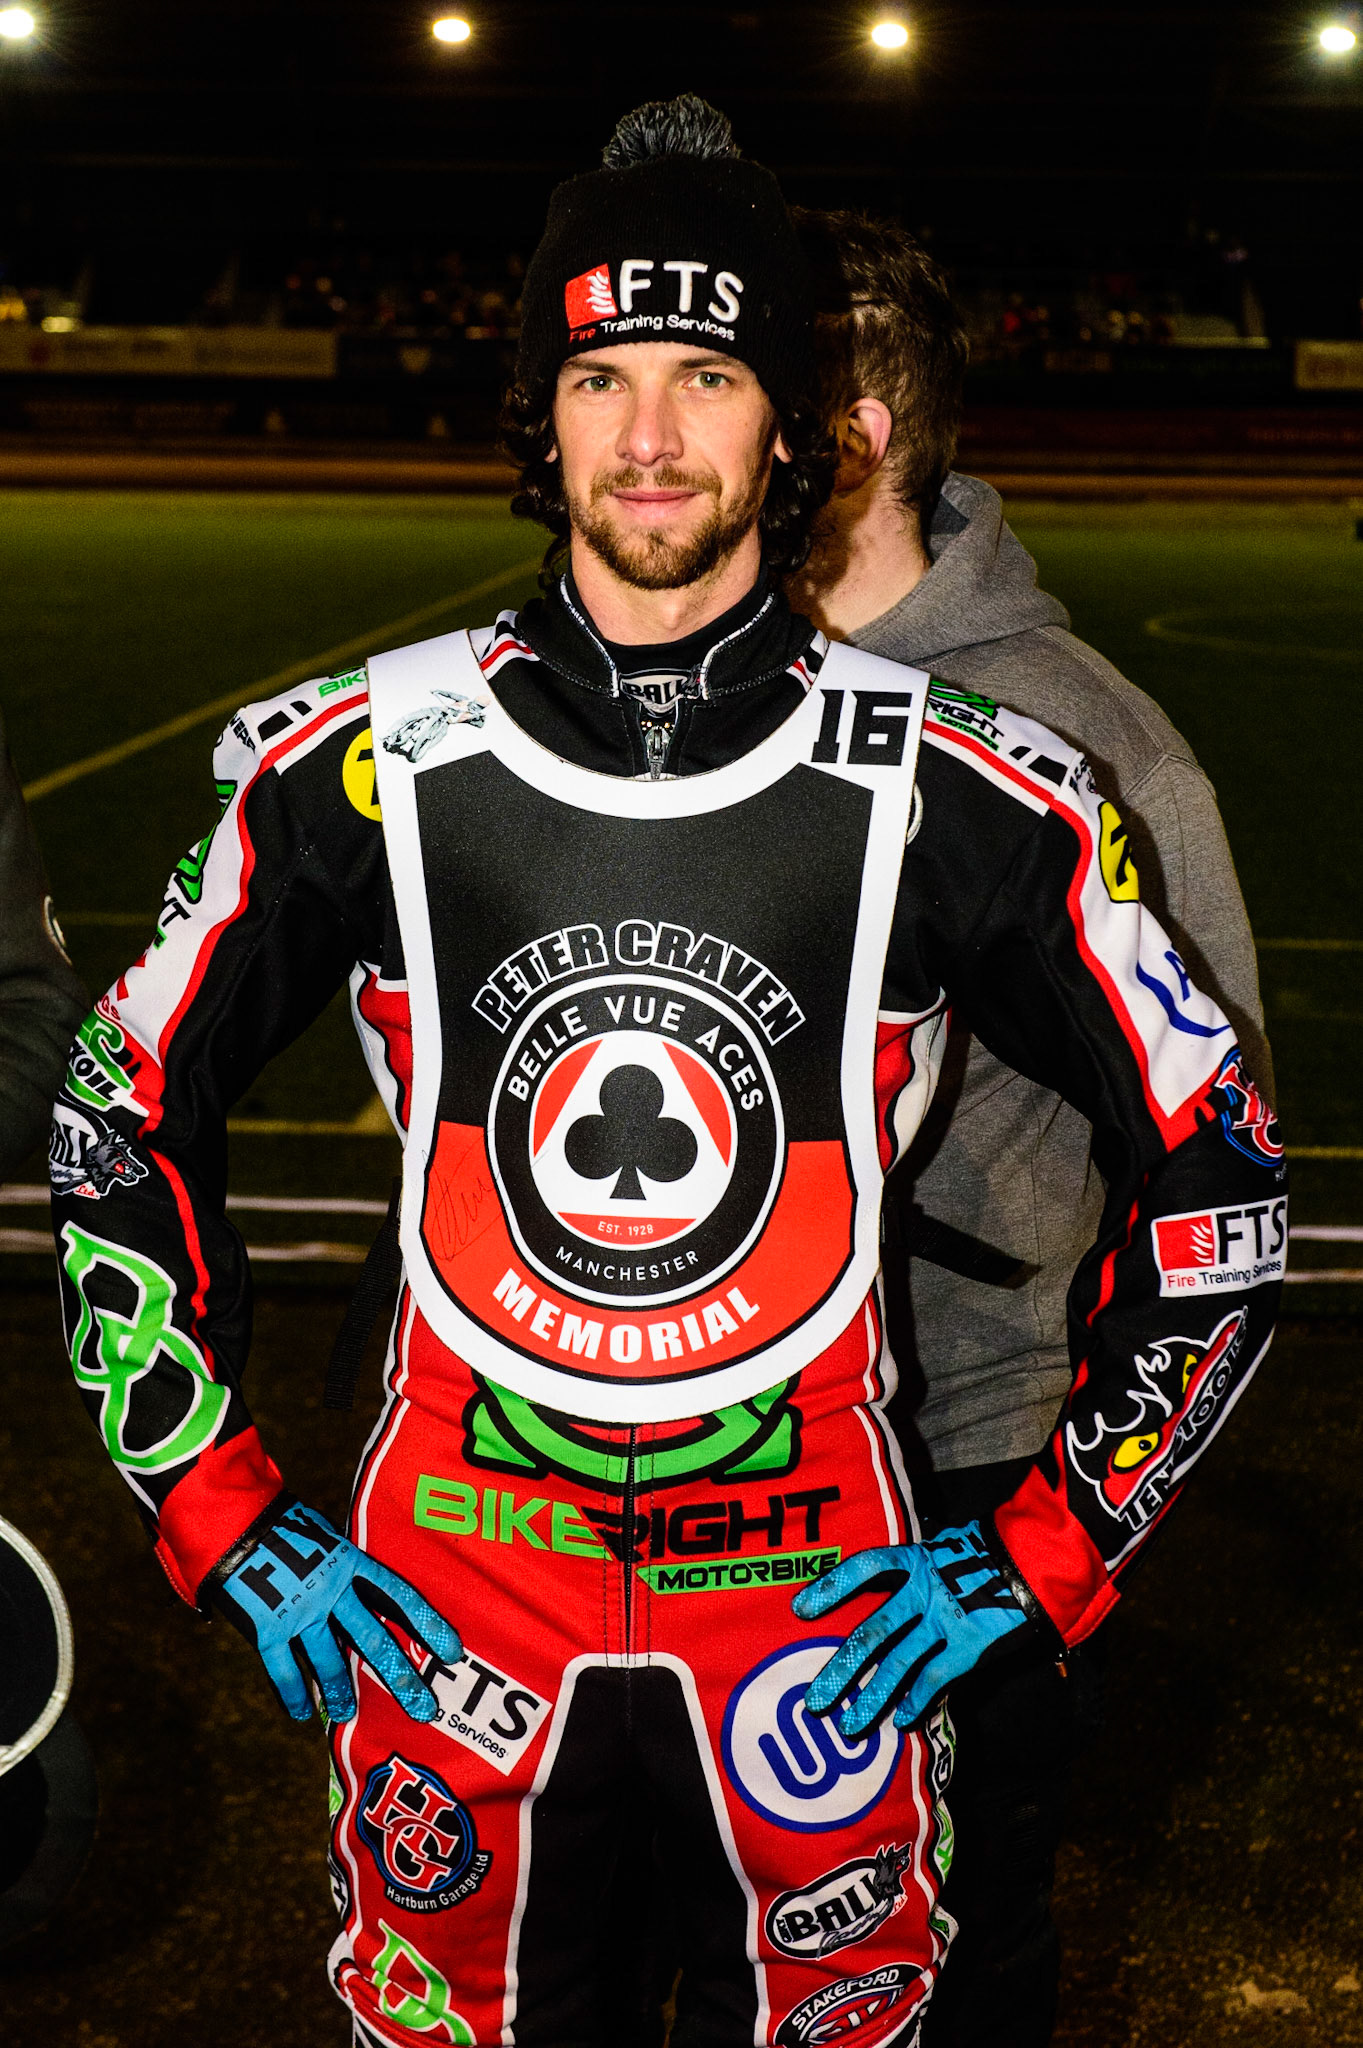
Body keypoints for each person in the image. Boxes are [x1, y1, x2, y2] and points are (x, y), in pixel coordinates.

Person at [49, 98, 1284, 2048]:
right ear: (533, 417)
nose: (646, 437)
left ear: (791, 422)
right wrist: (218, 1503)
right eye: (599, 375)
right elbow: (116, 1109)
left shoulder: (976, 792)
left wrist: (1051, 1541)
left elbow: (1218, 1168)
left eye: (707, 375)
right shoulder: (345, 770)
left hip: (823, 1656)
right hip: (449, 1641)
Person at [787, 209, 1275, 2048]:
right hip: (694, 1465)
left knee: (953, 1956)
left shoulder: (1086, 741)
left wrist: (1060, 1538)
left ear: (854, 426)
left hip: (958, 1477)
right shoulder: (698, 698)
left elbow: (1223, 1177)